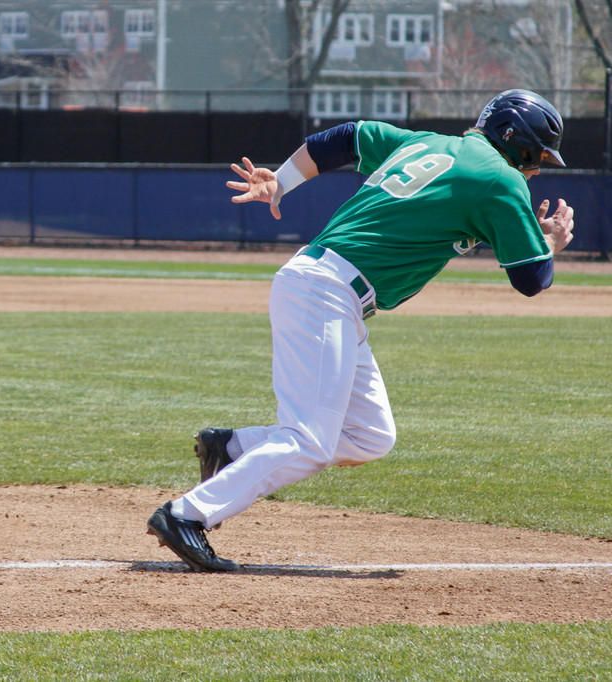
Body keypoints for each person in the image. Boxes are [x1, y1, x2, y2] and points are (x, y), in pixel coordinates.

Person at [146, 89, 576, 572]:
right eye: (535, 155)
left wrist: (283, 182)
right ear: (511, 137)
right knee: (310, 439)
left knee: (370, 436)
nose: (536, 168)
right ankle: (185, 515)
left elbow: (345, 137)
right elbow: (532, 279)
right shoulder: (500, 178)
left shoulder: (424, 143)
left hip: (329, 291)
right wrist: (549, 242)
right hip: (326, 292)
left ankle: (230, 447)